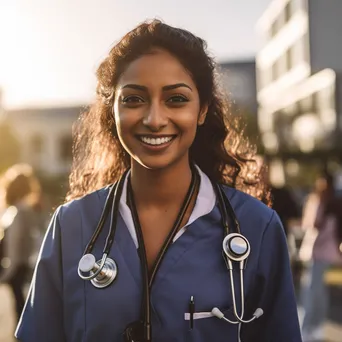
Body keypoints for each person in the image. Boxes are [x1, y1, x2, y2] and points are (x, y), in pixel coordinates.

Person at [15, 20, 301, 342]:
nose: (154, 119)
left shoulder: (257, 228)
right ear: (113, 111)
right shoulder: (70, 227)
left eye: (176, 99)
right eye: (134, 99)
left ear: (202, 110)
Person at [300, 172, 342, 342]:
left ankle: (310, 327)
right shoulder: (329, 203)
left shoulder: (326, 204)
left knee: (314, 292)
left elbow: (315, 226)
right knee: (319, 293)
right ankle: (315, 326)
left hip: (323, 254)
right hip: (328, 254)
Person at [0, 164, 42, 322]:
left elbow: (14, 246)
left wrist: (7, 273)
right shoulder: (27, 211)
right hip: (23, 267)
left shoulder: (17, 212)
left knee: (20, 308)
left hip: (16, 268)